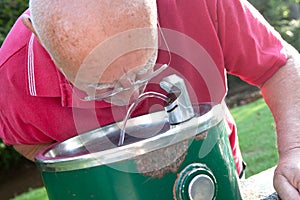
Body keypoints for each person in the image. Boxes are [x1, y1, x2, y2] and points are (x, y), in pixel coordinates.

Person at [1, 0, 300, 199]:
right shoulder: (10, 77)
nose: (131, 97)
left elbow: (279, 66)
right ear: (37, 34)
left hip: (216, 176)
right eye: (102, 86)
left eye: (144, 68)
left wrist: (294, 151)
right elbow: (26, 140)